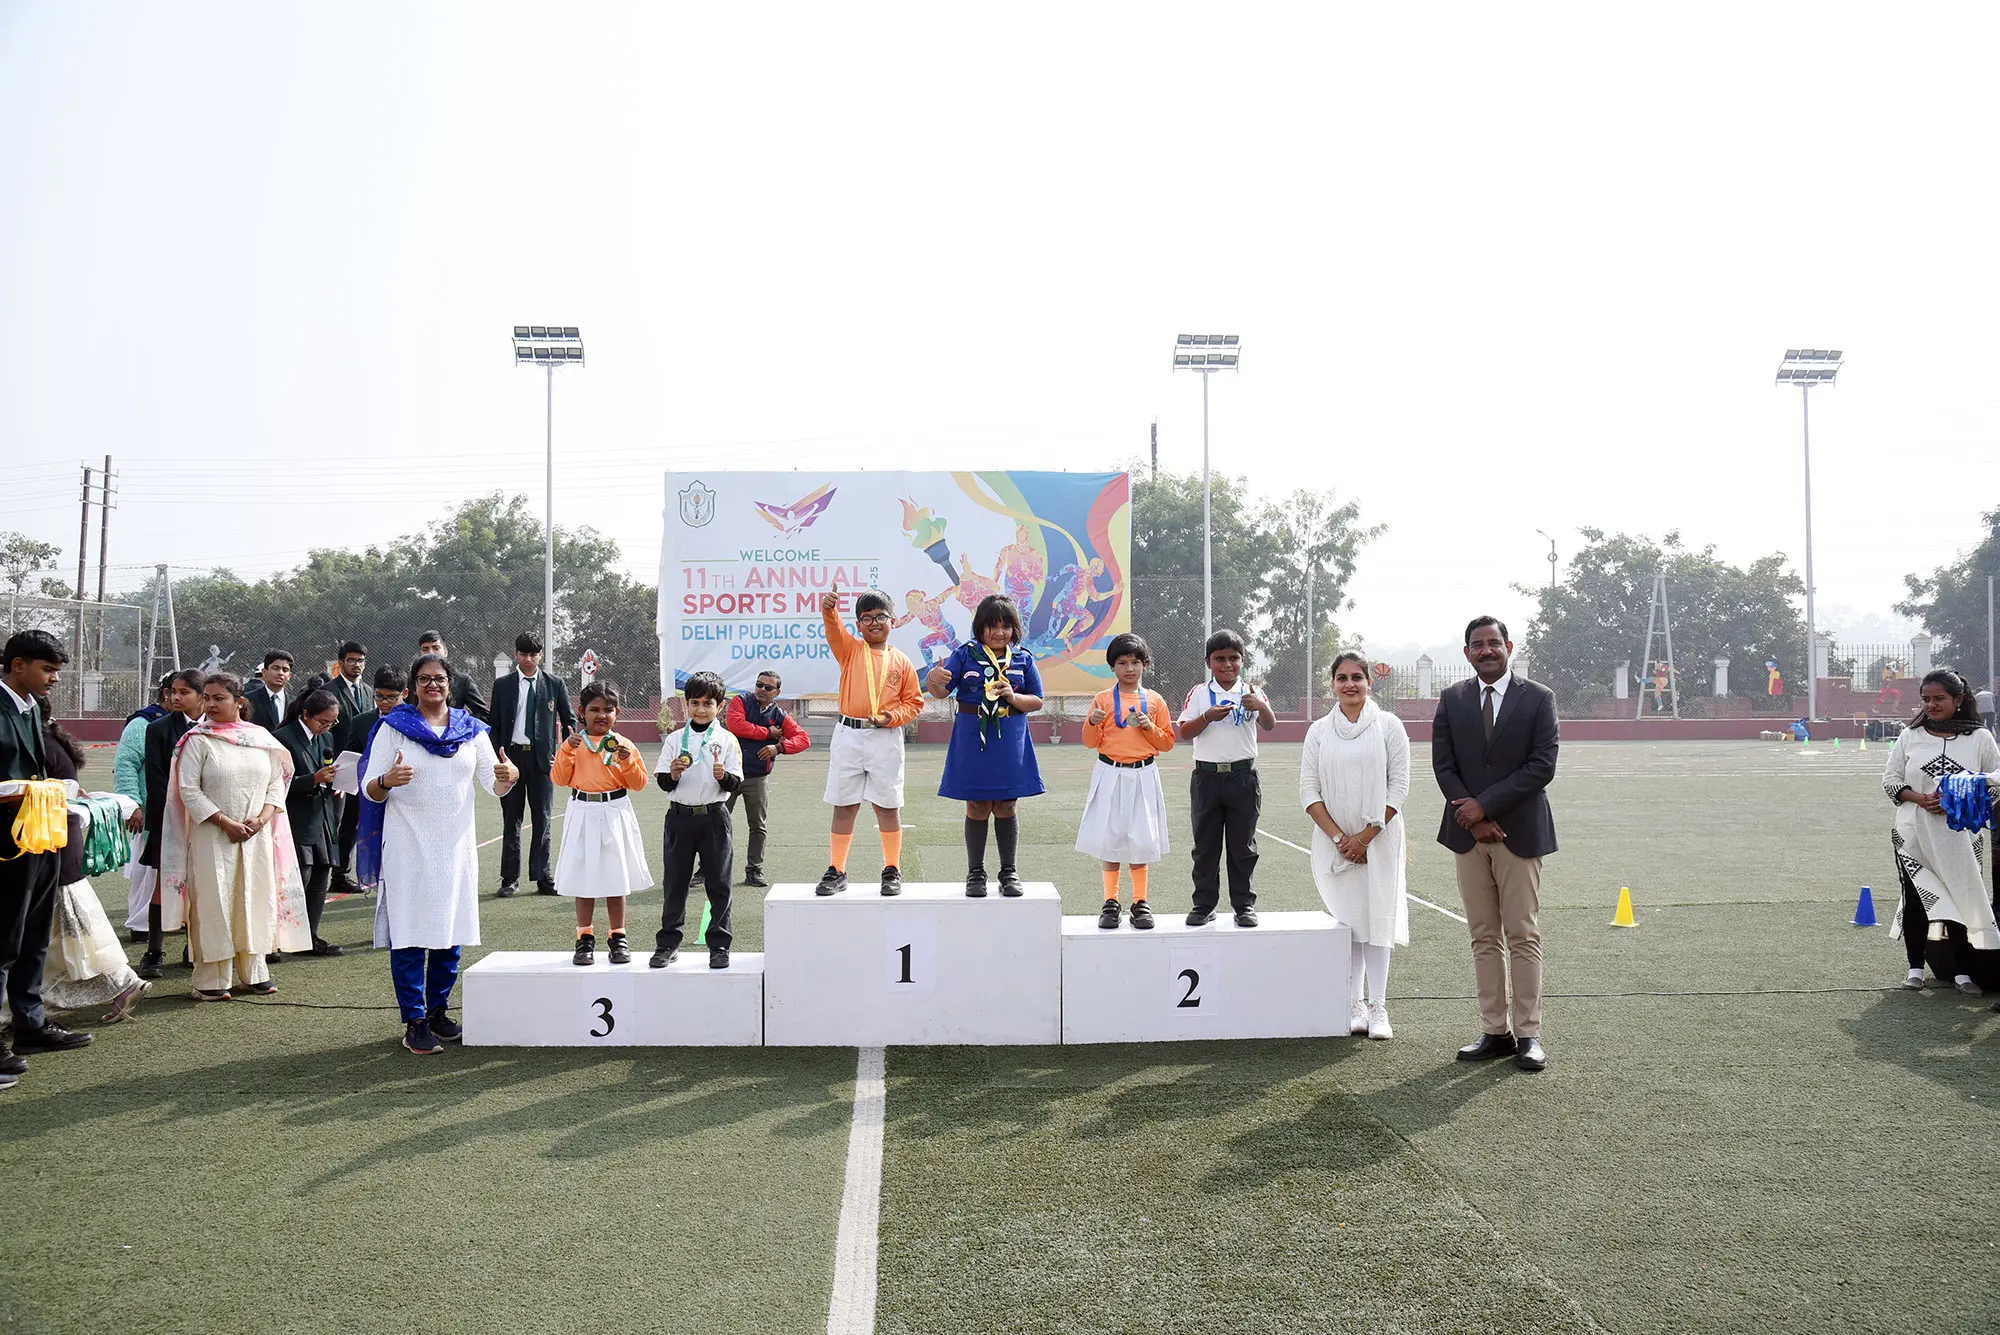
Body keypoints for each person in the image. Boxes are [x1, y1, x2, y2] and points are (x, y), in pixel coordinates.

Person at [360, 652, 519, 1054]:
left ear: (450, 685)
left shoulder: (470, 730)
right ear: (413, 686)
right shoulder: (394, 728)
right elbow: (369, 789)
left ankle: (437, 1012)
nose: (433, 685)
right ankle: (414, 1020)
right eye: (424, 679)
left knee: (450, 930)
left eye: (440, 679)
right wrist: (386, 780)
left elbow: (493, 784)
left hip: (455, 847)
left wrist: (509, 777)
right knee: (411, 931)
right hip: (408, 845)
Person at [1433, 616, 1559, 1073]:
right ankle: (1494, 1030)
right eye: (1477, 645)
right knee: (1483, 935)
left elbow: (1541, 766)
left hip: (1518, 832)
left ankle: (1529, 1034)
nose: (1486, 651)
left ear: (1508, 646)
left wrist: (1484, 807)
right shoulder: (1452, 699)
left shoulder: (1538, 697)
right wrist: (1473, 818)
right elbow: (1444, 766)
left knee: (1522, 934)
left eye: (1493, 643)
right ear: (1467, 652)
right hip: (1467, 835)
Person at [159, 673, 313, 999]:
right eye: (207, 698)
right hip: (211, 834)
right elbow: (188, 789)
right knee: (214, 901)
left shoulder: (262, 739)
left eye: (219, 698)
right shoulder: (197, 740)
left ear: (239, 701)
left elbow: (276, 783)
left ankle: (254, 972)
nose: (211, 705)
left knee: (255, 897)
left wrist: (263, 818)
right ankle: (211, 978)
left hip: (256, 835)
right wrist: (224, 822)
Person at [1301, 652, 1411, 1040]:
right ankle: (1355, 1004)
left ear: (1369, 682)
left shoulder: (1389, 726)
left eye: (1357, 677)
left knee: (1378, 921)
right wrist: (1341, 840)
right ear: (1332, 684)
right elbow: (1308, 791)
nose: (1350, 684)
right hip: (1335, 845)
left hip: (1380, 841)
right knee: (1349, 924)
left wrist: (1365, 838)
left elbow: (1399, 786)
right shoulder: (1319, 731)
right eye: (1342, 678)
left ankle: (1379, 1006)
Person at [0, 630, 91, 1086]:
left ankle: (30, 1025)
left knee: (34, 935)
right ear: (18, 665)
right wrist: (26, 790)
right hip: (6, 841)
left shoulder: (31, 707)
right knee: (3, 940)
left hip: (40, 835)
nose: (54, 678)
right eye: (48, 669)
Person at [1882, 668, 2000, 993]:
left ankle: (1963, 972)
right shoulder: (1910, 736)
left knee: (1959, 896)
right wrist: (1922, 799)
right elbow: (1890, 780)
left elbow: (1996, 778)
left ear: (1958, 699)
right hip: (1913, 832)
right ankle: (1915, 969)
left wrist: (1961, 795)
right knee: (1917, 899)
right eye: (1926, 699)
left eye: (1939, 699)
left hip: (1960, 836)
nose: (1931, 705)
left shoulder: (1979, 737)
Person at [35, 695, 148, 1023]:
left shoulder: (40, 746)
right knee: (73, 933)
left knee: (72, 933)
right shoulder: (49, 742)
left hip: (49, 850)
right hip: (56, 849)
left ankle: (122, 983)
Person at [925, 593, 1045, 898]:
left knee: (1006, 803)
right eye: (992, 626)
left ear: (1014, 629)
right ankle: (975, 873)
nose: (999, 632)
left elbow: (1037, 700)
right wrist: (932, 679)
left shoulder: (1023, 658)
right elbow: (941, 692)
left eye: (1006, 626)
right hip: (971, 736)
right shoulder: (965, 654)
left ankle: (1009, 872)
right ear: (980, 627)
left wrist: (1013, 697)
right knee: (976, 804)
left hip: (1010, 737)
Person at [815, 590, 924, 897]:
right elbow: (834, 629)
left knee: (887, 805)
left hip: (885, 738)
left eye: (881, 616)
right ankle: (837, 869)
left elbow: (914, 703)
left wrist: (893, 717)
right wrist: (829, 610)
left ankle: (892, 868)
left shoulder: (902, 662)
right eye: (867, 618)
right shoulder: (850, 650)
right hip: (848, 734)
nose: (875, 623)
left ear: (893, 620)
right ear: (858, 625)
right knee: (844, 805)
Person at [1176, 629, 1275, 928]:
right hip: (1206, 777)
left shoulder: (1252, 691)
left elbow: (1269, 725)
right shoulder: (1199, 693)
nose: (1227, 664)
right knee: (1205, 846)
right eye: (1219, 659)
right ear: (1208, 662)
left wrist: (1262, 706)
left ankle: (1244, 905)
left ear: (1243, 660)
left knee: (1242, 845)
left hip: (1243, 777)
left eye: (1234, 658)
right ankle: (1204, 904)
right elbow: (1184, 732)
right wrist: (1207, 717)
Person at [1077, 633, 1174, 930]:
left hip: (1143, 774)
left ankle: (1140, 902)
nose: (1129, 668)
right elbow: (1090, 742)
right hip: (1110, 773)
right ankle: (1111, 901)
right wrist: (1091, 722)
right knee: (1111, 839)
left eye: (1135, 662)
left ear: (1145, 665)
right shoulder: (1103, 699)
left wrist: (1150, 728)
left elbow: (1167, 742)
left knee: (1140, 840)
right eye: (1122, 663)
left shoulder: (1155, 701)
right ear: (1112, 667)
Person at [552, 681, 652, 966]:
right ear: (581, 712)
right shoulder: (574, 744)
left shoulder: (624, 745)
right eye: (594, 709)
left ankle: (618, 936)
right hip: (583, 810)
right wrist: (566, 750)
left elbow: (639, 783)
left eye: (608, 710)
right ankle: (584, 937)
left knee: (615, 875)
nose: (601, 715)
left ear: (617, 713)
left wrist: (627, 761)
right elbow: (559, 778)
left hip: (614, 810)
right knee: (584, 876)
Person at [653, 671, 742, 969]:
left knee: (719, 884)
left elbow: (735, 783)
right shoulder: (675, 740)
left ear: (720, 706)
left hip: (714, 818)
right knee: (675, 884)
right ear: (686, 705)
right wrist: (673, 774)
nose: (701, 709)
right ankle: (668, 943)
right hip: (679, 818)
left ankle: (719, 945)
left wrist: (724, 776)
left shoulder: (727, 740)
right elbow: (663, 783)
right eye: (695, 703)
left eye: (708, 703)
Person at [489, 631, 574, 897]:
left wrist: (563, 754)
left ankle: (542, 877)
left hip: (542, 761)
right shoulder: (502, 685)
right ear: (516, 654)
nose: (528, 659)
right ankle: (509, 879)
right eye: (524, 654)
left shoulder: (554, 684)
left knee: (543, 818)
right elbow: (494, 725)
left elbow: (569, 722)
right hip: (511, 759)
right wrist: (498, 757)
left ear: (541, 655)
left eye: (533, 654)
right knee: (511, 819)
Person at [135, 668, 205, 978]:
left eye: (184, 692)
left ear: (201, 696)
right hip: (170, 819)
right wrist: (181, 812)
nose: (175, 697)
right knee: (165, 884)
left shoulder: (215, 728)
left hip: (207, 820)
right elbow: (157, 779)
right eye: (173, 692)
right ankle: (154, 951)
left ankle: (194, 947)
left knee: (202, 885)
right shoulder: (159, 729)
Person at [722, 669, 809, 888]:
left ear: (777, 692)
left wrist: (778, 747)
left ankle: (754, 870)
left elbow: (803, 739)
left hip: (757, 777)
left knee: (758, 826)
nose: (761, 689)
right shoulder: (740, 702)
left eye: (768, 687)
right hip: (728, 774)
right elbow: (735, 725)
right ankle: (707, 869)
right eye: (759, 684)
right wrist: (767, 733)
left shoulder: (779, 715)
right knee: (716, 822)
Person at [275, 688, 346, 956]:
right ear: (306, 714)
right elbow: (277, 783)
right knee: (296, 880)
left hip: (323, 817)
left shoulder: (325, 737)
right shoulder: (282, 738)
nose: (327, 727)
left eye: (332, 723)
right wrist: (313, 779)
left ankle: (309, 937)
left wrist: (337, 783)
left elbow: (327, 771)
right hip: (295, 818)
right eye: (323, 721)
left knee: (320, 877)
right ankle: (280, 938)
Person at [114, 672, 175, 939]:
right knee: (146, 869)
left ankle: (169, 918)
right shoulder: (142, 723)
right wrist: (132, 805)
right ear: (167, 694)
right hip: (149, 809)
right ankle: (141, 924)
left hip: (176, 810)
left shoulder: (184, 723)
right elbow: (126, 764)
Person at [325, 641, 369, 892]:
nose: (356, 664)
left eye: (360, 660)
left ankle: (343, 873)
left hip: (365, 767)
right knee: (338, 822)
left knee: (354, 822)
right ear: (340, 663)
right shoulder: (329, 691)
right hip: (339, 768)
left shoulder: (368, 691)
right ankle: (335, 874)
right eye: (351, 660)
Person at [416, 631, 489, 722]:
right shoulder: (412, 681)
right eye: (425, 649)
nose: (431, 652)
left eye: (436, 648)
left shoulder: (463, 681)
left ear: (445, 652)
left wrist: (458, 722)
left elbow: (483, 714)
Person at [243, 649, 294, 730]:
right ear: (264, 672)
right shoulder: (248, 699)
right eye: (275, 668)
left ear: (289, 676)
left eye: (285, 670)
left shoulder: (295, 703)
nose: (280, 673)